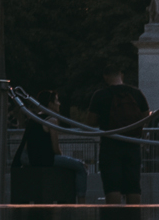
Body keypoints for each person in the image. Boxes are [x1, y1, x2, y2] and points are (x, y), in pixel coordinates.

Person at [16, 93, 94, 201]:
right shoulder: (51, 120)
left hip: (27, 157)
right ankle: (81, 201)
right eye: (57, 101)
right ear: (50, 104)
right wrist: (63, 159)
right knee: (81, 167)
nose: (59, 103)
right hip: (42, 158)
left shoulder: (34, 118)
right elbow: (55, 149)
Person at [91, 67, 148, 204]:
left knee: (112, 187)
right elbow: (145, 117)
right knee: (133, 187)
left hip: (110, 144)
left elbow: (91, 121)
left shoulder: (100, 95)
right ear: (121, 74)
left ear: (105, 76)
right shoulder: (136, 93)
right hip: (132, 144)